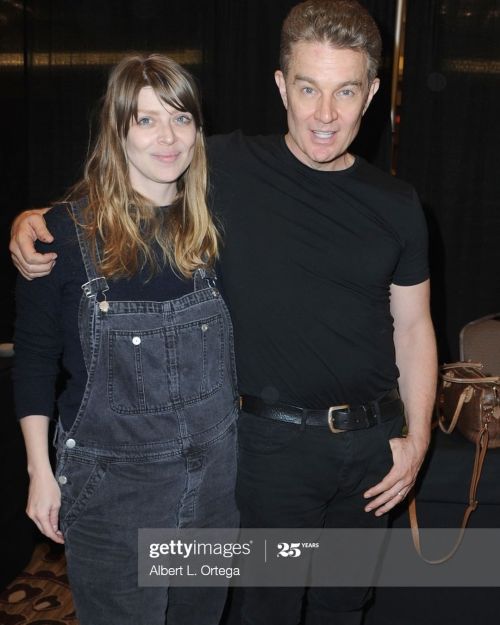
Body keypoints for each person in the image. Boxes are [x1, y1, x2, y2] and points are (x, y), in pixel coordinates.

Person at [10, 1, 437, 624]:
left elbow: (414, 325)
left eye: (345, 91)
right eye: (308, 88)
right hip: (266, 452)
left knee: (343, 606)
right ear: (280, 86)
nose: (325, 114)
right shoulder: (226, 166)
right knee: (263, 608)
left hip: (372, 456)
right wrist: (35, 225)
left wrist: (417, 438)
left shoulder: (399, 204)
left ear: (370, 94)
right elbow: (135, 175)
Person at [12, 54, 239, 625]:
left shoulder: (217, 223)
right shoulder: (63, 233)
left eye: (181, 118)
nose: (168, 137)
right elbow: (35, 360)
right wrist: (40, 471)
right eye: (146, 120)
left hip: (214, 487)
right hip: (115, 495)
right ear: (117, 132)